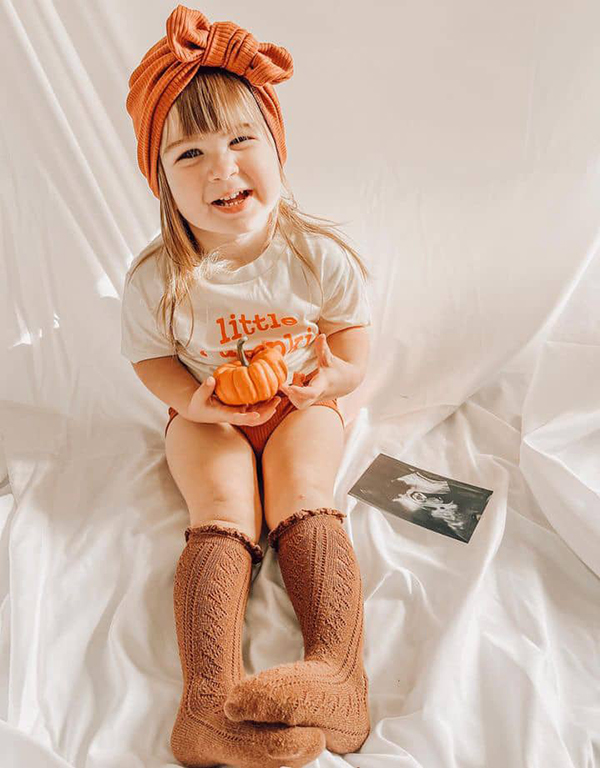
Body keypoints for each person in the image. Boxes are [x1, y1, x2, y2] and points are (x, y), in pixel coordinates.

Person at [122, 6, 372, 767]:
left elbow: (352, 337)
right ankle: (207, 704)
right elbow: (150, 359)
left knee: (302, 488)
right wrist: (192, 400)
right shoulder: (159, 278)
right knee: (223, 503)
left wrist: (338, 374)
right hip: (209, 413)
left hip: (299, 404)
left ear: (275, 148)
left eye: (240, 140)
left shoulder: (316, 253)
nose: (221, 168)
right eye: (188, 154)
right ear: (161, 180)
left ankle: (339, 674)